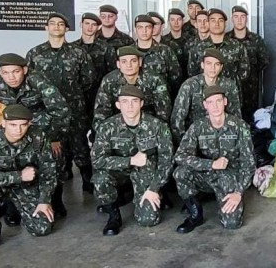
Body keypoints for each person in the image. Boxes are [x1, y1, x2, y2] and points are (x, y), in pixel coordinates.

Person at [26, 13, 95, 207]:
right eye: (52, 24)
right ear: (46, 28)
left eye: (61, 24)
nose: (56, 27)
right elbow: (29, 82)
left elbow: (88, 80)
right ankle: (55, 194)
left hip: (75, 110)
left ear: (67, 29)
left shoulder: (78, 53)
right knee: (53, 151)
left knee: (80, 147)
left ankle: (88, 182)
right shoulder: (35, 54)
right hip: (46, 112)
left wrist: (74, 97)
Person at [0, 105, 57, 250]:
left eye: (23, 125)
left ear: (29, 123)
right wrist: (18, 176)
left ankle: (12, 206)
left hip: (26, 186)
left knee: (41, 228)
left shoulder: (38, 136)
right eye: (13, 125)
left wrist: (44, 200)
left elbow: (49, 169)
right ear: (3, 123)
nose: (18, 130)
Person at [91, 85, 173, 236]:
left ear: (141, 103)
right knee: (100, 179)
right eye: (125, 101)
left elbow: (166, 160)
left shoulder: (157, 126)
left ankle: (136, 194)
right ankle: (113, 216)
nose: (129, 106)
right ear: (118, 105)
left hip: (145, 172)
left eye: (134, 101)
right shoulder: (107, 127)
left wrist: (154, 188)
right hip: (118, 171)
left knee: (148, 220)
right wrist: (130, 161)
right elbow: (97, 160)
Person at [173, 85, 255, 233]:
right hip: (206, 174)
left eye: (218, 101)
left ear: (225, 102)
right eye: (210, 102)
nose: (215, 106)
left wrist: (238, 192)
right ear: (205, 105)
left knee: (232, 223)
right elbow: (180, 156)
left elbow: (249, 164)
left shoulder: (239, 127)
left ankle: (223, 199)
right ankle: (195, 214)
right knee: (180, 173)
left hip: (229, 179)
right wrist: (211, 164)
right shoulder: (198, 126)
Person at [69, 12, 118, 180]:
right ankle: (83, 171)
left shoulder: (106, 48)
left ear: (97, 27)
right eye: (86, 23)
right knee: (77, 136)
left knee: (100, 134)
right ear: (81, 25)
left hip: (101, 99)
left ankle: (100, 170)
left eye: (93, 24)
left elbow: (114, 74)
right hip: (77, 100)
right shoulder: (72, 49)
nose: (89, 27)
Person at [172, 48, 242, 146]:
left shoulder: (229, 85)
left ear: (221, 67)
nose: (212, 68)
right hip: (195, 137)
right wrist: (185, 144)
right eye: (209, 63)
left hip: (222, 137)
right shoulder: (190, 85)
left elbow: (236, 116)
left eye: (216, 64)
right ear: (202, 65)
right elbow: (177, 119)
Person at [94, 46, 172, 133]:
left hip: (150, 126)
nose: (129, 65)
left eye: (133, 61)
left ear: (140, 62)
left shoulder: (154, 79)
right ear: (118, 64)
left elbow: (163, 112)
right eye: (124, 62)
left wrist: (158, 132)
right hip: (118, 126)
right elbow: (101, 113)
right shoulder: (109, 81)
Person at [226, 5, 271, 124]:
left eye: (242, 17)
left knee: (251, 119)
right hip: (230, 88)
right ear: (232, 19)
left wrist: (252, 73)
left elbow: (264, 60)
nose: (239, 20)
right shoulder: (226, 39)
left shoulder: (256, 40)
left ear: (246, 19)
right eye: (236, 17)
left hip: (251, 89)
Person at [187, 8, 249, 81]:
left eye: (220, 20)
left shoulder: (237, 46)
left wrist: (230, 85)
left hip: (231, 91)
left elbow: (245, 72)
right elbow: (192, 74)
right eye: (213, 20)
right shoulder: (198, 48)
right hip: (206, 91)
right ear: (208, 23)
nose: (217, 24)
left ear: (225, 24)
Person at [133, 14, 182, 97]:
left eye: (148, 27)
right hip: (134, 100)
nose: (144, 31)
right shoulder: (129, 52)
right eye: (140, 27)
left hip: (160, 100)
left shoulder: (165, 51)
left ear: (152, 29)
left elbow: (176, 78)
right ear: (135, 30)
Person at [161, 8, 189, 80]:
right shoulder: (163, 42)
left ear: (183, 21)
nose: (176, 23)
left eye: (179, 19)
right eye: (173, 20)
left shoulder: (191, 40)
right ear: (168, 22)